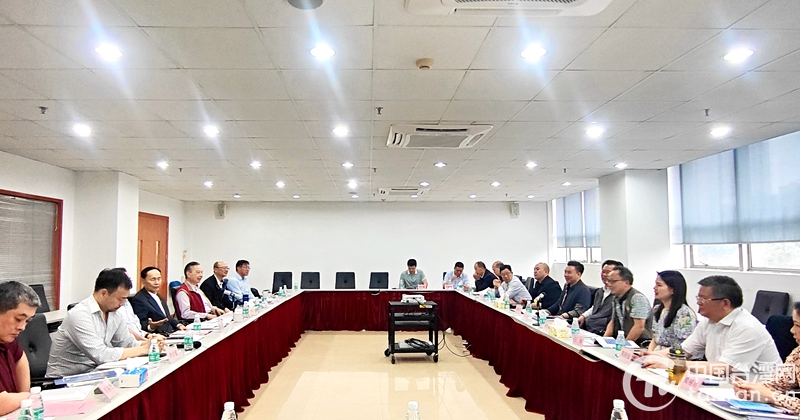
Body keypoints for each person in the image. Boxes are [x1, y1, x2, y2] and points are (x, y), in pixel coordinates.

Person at [644, 276, 781, 376]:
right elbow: (684, 351)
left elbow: (724, 368)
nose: (698, 302)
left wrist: (673, 364)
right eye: (698, 298)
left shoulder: (747, 328)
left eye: (703, 299)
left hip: (758, 392)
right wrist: (651, 355)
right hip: (723, 384)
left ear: (725, 303)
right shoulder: (708, 321)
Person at [47, 268, 153, 378]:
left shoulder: (115, 313)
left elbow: (126, 343)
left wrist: (149, 345)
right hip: (65, 380)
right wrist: (142, 349)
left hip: (96, 373)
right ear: (104, 293)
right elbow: (100, 355)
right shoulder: (79, 314)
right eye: (120, 299)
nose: (122, 304)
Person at [733, 301, 800, 412]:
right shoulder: (798, 353)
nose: (792, 330)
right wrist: (750, 388)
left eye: (797, 325)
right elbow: (775, 385)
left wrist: (772, 397)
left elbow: (771, 394)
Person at [0, 281, 40, 415]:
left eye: (27, 321)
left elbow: (20, 357)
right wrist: (30, 397)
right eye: (18, 319)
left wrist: (25, 395)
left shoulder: (7, 338)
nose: (22, 327)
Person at [647, 270, 696, 352]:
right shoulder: (656, 309)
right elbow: (655, 339)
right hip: (656, 354)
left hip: (673, 355)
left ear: (672, 290)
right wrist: (649, 353)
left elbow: (684, 346)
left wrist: (654, 355)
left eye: (659, 285)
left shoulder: (684, 314)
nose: (655, 288)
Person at [603, 266, 652, 346]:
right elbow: (613, 322)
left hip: (640, 343)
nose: (608, 284)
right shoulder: (616, 298)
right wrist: (604, 341)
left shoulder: (637, 298)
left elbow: (639, 327)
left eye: (612, 281)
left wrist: (624, 346)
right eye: (608, 281)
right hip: (623, 340)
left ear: (626, 282)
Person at [130, 267, 186, 336]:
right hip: (158, 335)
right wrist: (151, 327)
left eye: (159, 279)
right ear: (143, 281)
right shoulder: (139, 300)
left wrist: (179, 325)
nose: (157, 282)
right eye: (153, 279)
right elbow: (141, 325)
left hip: (171, 332)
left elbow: (167, 317)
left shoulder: (158, 295)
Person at [578, 260, 622, 335]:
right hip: (591, 327)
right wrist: (583, 316)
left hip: (605, 331)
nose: (604, 275)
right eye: (603, 272)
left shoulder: (619, 295)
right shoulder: (600, 291)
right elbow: (595, 307)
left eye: (608, 272)